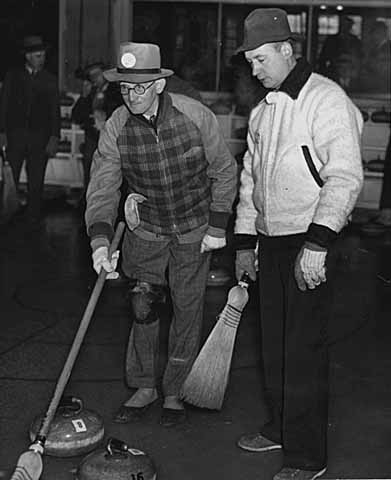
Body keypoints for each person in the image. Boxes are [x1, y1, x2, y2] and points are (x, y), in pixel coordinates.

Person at [234, 9, 363, 480]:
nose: (254, 69)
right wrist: (245, 242)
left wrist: (319, 242)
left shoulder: (326, 100)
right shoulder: (263, 110)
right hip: (270, 243)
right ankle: (282, 428)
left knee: (304, 350)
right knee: (274, 346)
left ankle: (308, 457)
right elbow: (251, 181)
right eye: (249, 60)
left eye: (261, 58)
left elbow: (345, 178)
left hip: (310, 244)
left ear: (287, 50)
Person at [85, 42, 237, 427]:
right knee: (142, 307)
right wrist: (99, 243)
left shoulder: (195, 116)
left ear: (158, 84)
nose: (132, 96)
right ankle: (144, 386)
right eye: (124, 88)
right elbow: (102, 187)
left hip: (193, 229)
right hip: (147, 230)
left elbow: (224, 172)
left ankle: (174, 391)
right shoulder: (117, 126)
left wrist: (217, 228)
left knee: (187, 310)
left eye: (140, 87)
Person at [0, 35, 60, 225]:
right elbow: (4, 105)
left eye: (42, 56)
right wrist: (2, 132)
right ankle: (7, 212)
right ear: (27, 57)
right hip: (15, 136)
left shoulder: (49, 79)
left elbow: (54, 111)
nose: (41, 60)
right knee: (11, 177)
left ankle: (33, 217)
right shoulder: (13, 76)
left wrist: (54, 137)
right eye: (37, 56)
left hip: (39, 139)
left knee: (36, 180)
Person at [71, 62, 122, 194]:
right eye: (91, 76)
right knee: (89, 173)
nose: (94, 78)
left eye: (97, 74)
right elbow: (76, 116)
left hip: (110, 140)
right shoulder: (89, 93)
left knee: (108, 175)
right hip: (92, 139)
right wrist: (84, 96)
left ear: (105, 75)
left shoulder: (116, 91)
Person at [318, 16, 362, 89]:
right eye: (344, 25)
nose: (345, 28)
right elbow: (323, 59)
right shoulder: (331, 40)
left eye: (348, 25)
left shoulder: (355, 41)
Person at [360, 21, 390, 93]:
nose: (372, 35)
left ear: (383, 32)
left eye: (374, 32)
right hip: (374, 83)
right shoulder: (372, 48)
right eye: (372, 32)